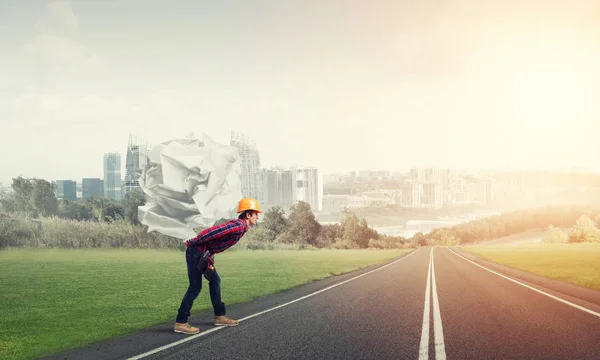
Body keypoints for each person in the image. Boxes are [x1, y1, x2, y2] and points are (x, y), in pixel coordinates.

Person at [173, 197, 261, 335]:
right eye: (256, 213)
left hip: (203, 254)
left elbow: (215, 241)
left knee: (215, 281)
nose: (258, 216)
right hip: (196, 252)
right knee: (195, 287)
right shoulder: (238, 226)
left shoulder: (241, 228)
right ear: (248, 215)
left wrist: (209, 255)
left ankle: (220, 316)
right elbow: (213, 232)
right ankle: (181, 322)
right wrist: (193, 242)